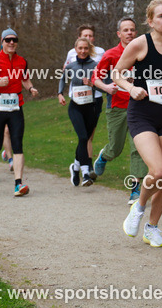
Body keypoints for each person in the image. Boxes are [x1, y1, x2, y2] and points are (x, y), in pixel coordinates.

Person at [112, 0, 162, 247]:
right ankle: (139, 207)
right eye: (160, 16)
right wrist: (130, 88)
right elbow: (117, 73)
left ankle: (152, 228)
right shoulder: (139, 44)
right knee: (157, 170)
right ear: (150, 21)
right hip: (142, 113)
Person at [92, 17, 148, 202]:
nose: (130, 33)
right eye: (126, 30)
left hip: (139, 106)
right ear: (119, 34)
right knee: (116, 148)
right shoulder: (111, 55)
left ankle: (135, 189)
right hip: (117, 107)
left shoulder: (144, 52)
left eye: (132, 29)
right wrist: (107, 88)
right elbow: (96, 78)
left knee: (137, 148)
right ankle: (104, 156)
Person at [0, 28, 39, 196]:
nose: (11, 42)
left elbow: (25, 78)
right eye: (8, 40)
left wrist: (31, 88)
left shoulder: (22, 61)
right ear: (2, 41)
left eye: (14, 39)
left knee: (17, 144)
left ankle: (18, 184)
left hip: (16, 106)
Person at [58, 37, 101, 186]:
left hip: (90, 107)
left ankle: (75, 167)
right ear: (75, 49)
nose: (83, 51)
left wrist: (92, 84)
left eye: (86, 48)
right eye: (80, 48)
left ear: (89, 49)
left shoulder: (95, 66)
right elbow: (62, 79)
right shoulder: (71, 66)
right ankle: (85, 173)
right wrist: (60, 94)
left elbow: (103, 86)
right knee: (83, 137)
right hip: (75, 106)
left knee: (84, 139)